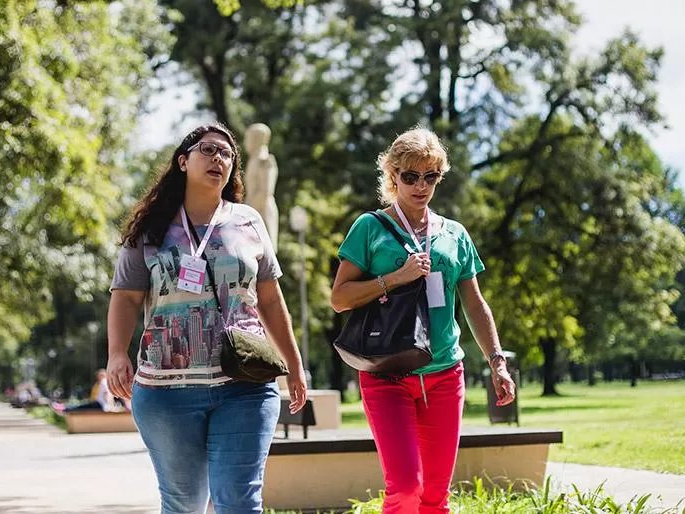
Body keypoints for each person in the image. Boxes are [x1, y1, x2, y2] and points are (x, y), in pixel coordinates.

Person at [106, 123, 307, 514]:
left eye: (228, 154)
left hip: (245, 383)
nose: (220, 158)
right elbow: (126, 298)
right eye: (209, 150)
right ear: (183, 161)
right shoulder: (150, 230)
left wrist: (294, 365)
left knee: (240, 502)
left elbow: (270, 298)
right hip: (166, 392)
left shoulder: (248, 221)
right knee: (184, 504)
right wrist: (117, 353)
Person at [330, 127, 516, 514]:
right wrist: (396, 278)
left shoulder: (454, 234)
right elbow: (339, 298)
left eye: (430, 177)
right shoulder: (370, 228)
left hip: (446, 373)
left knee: (435, 497)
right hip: (386, 373)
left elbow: (475, 304)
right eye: (410, 176)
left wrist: (497, 362)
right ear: (393, 175)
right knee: (404, 488)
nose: (420, 186)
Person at [243, 123, 279, 251]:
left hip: (261, 212)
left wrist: (248, 212)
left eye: (248, 138)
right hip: (252, 211)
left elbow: (265, 192)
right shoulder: (252, 161)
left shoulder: (265, 160)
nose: (246, 142)